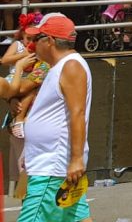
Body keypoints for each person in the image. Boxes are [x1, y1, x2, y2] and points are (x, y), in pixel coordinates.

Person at [20, 12, 93, 222]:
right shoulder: (59, 67)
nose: (32, 44)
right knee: (76, 218)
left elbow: (77, 113)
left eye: (36, 39)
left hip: (53, 167)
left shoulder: (70, 66)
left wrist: (76, 159)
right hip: (54, 163)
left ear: (49, 41)